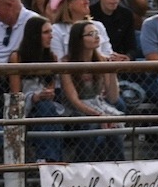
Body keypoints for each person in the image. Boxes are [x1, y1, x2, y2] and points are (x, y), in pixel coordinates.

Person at [61, 19, 125, 161]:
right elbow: (74, 101)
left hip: (98, 104)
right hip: (76, 110)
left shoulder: (101, 60)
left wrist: (112, 71)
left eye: (97, 33)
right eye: (90, 34)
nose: (96, 37)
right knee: (92, 125)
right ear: (79, 39)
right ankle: (81, 165)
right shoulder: (66, 63)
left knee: (114, 125)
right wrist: (98, 115)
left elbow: (113, 97)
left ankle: (118, 165)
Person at [9, 14, 64, 163]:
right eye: (46, 32)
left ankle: (48, 158)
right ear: (34, 35)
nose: (51, 36)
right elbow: (15, 93)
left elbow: (51, 88)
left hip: (46, 106)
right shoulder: (17, 57)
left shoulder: (52, 57)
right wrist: (34, 97)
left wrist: (47, 94)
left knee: (47, 107)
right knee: (46, 108)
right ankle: (49, 159)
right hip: (26, 106)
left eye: (51, 32)